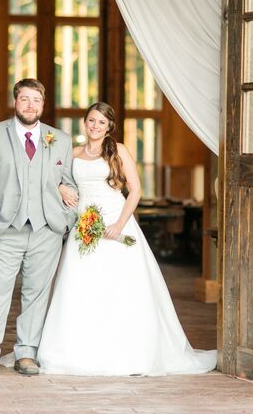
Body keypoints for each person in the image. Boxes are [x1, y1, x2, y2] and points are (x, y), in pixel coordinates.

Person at [36, 102, 217, 376]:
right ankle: (80, 349)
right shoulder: (72, 153)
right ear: (84, 123)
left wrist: (119, 224)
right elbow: (51, 175)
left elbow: (135, 190)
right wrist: (61, 187)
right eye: (91, 121)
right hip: (84, 225)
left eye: (101, 122)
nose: (95, 126)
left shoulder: (117, 151)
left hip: (115, 222)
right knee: (80, 287)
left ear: (109, 127)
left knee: (121, 287)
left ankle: (125, 349)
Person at [0, 78, 77, 377]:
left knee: (37, 294)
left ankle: (27, 352)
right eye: (24, 99)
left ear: (43, 104)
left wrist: (66, 220)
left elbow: (70, 182)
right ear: (15, 101)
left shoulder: (61, 140)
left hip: (47, 230)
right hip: (5, 229)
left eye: (36, 100)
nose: (30, 105)